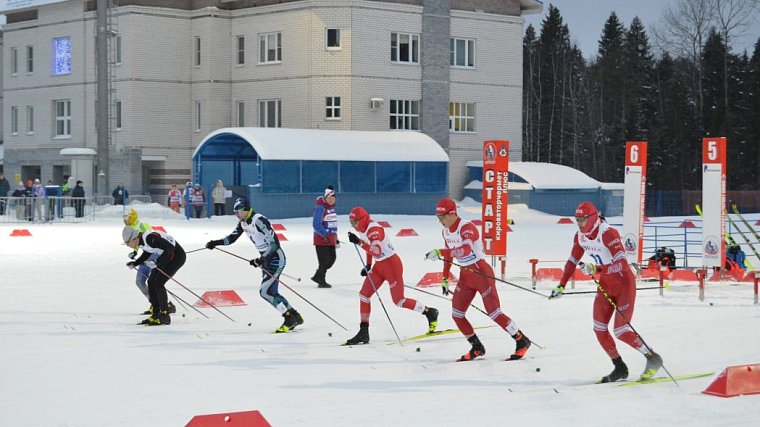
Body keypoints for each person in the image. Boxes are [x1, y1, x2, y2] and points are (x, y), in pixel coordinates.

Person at [548, 201, 663, 383]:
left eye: (582, 220)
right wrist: (561, 285)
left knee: (621, 330)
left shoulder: (608, 233)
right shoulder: (580, 237)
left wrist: (597, 269)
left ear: (593, 218)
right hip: (606, 285)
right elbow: (571, 261)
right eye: (577, 220)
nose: (579, 224)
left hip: (624, 283)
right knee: (599, 329)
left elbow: (622, 264)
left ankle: (652, 357)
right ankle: (619, 367)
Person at [425, 197, 531, 361]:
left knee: (494, 313)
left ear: (452, 213)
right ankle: (477, 347)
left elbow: (465, 250)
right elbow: (449, 256)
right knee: (457, 314)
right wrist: (445, 278)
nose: (440, 221)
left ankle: (521, 340)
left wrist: (440, 252)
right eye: (437, 218)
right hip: (465, 276)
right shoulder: (445, 231)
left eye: (442, 217)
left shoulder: (467, 227)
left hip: (481, 273)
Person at [205, 197, 304, 333]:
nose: (237, 215)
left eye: (239, 212)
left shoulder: (259, 220)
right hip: (266, 259)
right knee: (270, 292)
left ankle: (289, 317)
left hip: (276, 258)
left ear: (246, 210)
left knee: (265, 292)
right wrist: (215, 242)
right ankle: (294, 315)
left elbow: (275, 244)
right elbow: (231, 238)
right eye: (235, 213)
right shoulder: (243, 223)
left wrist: (262, 259)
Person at [344, 206, 439, 345]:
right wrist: (368, 265)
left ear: (363, 219)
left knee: (399, 301)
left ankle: (429, 312)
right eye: (351, 222)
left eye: (355, 222)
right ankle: (363, 331)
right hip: (379, 266)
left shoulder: (374, 230)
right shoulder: (363, 229)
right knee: (364, 295)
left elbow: (376, 250)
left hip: (392, 266)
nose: (353, 225)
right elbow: (370, 248)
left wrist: (359, 242)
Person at [124, 225, 186, 326]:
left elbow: (169, 248)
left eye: (128, 242)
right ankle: (156, 314)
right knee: (151, 281)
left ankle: (165, 315)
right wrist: (135, 263)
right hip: (168, 257)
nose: (127, 245)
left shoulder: (149, 238)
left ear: (134, 238)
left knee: (158, 283)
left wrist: (157, 262)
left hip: (177, 257)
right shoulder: (143, 241)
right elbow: (147, 253)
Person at [123, 207, 175, 315]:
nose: (125, 220)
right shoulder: (127, 229)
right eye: (124, 218)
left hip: (153, 255)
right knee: (140, 282)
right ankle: (155, 302)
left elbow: (148, 243)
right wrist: (135, 253)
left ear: (133, 217)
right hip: (145, 256)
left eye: (127, 217)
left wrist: (139, 254)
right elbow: (139, 245)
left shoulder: (142, 225)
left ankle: (163, 305)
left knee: (152, 281)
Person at [311, 186, 338, 288]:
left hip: (331, 239)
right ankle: (321, 280)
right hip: (322, 239)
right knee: (324, 261)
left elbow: (333, 224)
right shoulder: (320, 208)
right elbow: (316, 224)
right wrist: (325, 234)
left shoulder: (331, 209)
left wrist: (336, 237)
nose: (332, 200)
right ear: (325, 198)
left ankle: (317, 276)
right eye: (329, 198)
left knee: (332, 259)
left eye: (333, 198)